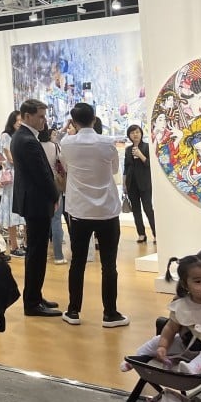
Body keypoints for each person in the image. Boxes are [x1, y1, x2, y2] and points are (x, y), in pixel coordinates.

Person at [58, 103, 128, 328]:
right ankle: (110, 313)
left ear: (73, 121)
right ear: (94, 119)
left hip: (79, 210)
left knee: (77, 263)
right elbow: (115, 170)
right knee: (109, 264)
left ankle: (73, 311)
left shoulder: (66, 143)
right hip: (107, 210)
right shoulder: (107, 143)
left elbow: (66, 167)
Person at [121, 255, 201, 374]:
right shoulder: (182, 305)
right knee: (157, 341)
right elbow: (170, 328)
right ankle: (136, 358)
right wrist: (163, 346)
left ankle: (193, 369)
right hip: (186, 344)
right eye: (198, 282)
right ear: (185, 285)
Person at [11, 99, 62, 317]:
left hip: (34, 201)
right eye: (40, 116)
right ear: (27, 116)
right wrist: (55, 195)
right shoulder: (27, 140)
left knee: (36, 252)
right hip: (37, 202)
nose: (44, 120)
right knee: (36, 253)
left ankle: (35, 296)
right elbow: (41, 174)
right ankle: (32, 302)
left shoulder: (23, 137)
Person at [0, 110, 25, 257]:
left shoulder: (21, 135)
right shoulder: (6, 136)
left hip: (21, 175)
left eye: (21, 120)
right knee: (12, 211)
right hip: (12, 177)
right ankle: (14, 245)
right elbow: (9, 158)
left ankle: (24, 243)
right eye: (18, 120)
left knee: (23, 211)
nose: (20, 123)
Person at [124, 125, 156, 244]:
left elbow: (150, 165)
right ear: (129, 135)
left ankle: (156, 234)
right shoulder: (128, 149)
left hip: (145, 183)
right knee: (136, 210)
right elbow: (126, 168)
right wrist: (124, 184)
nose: (135, 135)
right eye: (132, 133)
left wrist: (140, 155)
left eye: (137, 132)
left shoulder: (147, 147)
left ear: (141, 133)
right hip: (131, 184)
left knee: (148, 209)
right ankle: (141, 234)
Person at [39, 127, 67, 265]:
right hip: (55, 185)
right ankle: (58, 256)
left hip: (39, 186)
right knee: (56, 220)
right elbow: (63, 165)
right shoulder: (55, 147)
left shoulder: (35, 146)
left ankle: (40, 256)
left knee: (40, 222)